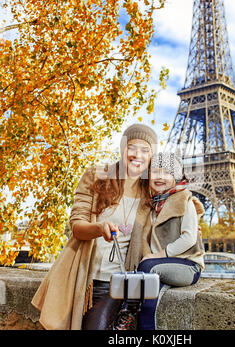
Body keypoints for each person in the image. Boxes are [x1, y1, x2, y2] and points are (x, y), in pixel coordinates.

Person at [31, 123, 158, 330]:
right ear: (122, 148)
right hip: (84, 278)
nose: (138, 155)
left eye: (145, 150)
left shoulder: (151, 193)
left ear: (152, 156)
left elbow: (176, 211)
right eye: (132, 147)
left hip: (119, 284)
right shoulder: (97, 176)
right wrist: (100, 228)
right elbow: (77, 226)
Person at [136, 150, 205, 330]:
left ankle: (129, 311)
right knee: (149, 298)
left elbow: (189, 238)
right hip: (165, 265)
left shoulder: (185, 199)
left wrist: (158, 255)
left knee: (147, 268)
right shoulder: (155, 204)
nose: (160, 177)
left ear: (177, 176)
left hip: (188, 266)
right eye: (155, 171)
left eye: (167, 172)